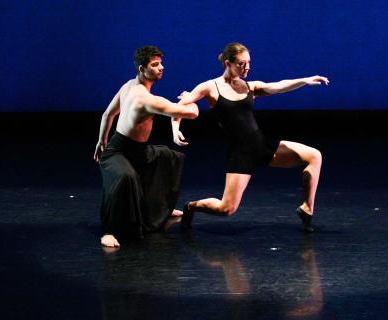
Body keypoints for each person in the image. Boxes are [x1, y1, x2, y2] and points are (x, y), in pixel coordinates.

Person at [172, 42, 328, 232]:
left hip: (262, 146)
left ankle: (307, 208)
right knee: (226, 209)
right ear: (228, 63)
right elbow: (179, 106)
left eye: (249, 63)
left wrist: (304, 80)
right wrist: (175, 128)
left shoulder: (249, 86)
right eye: (241, 64)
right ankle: (190, 207)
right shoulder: (210, 87)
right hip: (240, 154)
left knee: (314, 156)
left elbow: (278, 86)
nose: (247, 67)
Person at [93, 45, 199, 248]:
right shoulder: (147, 100)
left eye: (161, 63)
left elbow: (108, 115)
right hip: (118, 151)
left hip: (138, 151)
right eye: (155, 65)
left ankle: (162, 214)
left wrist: (100, 140)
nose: (161, 68)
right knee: (126, 178)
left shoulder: (129, 86)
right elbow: (192, 113)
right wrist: (190, 100)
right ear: (142, 69)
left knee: (168, 157)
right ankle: (109, 230)